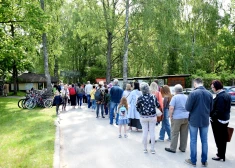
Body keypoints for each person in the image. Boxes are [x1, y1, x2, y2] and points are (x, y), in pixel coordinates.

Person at [185, 78, 213, 167]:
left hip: (194, 120)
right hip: (205, 120)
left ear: (195, 83)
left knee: (193, 140)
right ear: (202, 83)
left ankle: (193, 160)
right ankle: (204, 161)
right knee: (204, 141)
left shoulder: (193, 93)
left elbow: (188, 108)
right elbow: (211, 108)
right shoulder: (209, 94)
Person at [210, 80, 231, 162]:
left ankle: (220, 155)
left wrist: (212, 117)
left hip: (219, 121)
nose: (212, 89)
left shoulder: (221, 96)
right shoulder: (226, 94)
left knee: (219, 139)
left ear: (216, 87)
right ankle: (222, 154)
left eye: (212, 87)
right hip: (225, 119)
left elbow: (219, 111)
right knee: (223, 139)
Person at [136, 82, 160, 154]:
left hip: (143, 117)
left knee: (145, 132)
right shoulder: (153, 96)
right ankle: (152, 149)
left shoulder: (140, 98)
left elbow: (137, 108)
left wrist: (142, 111)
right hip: (152, 116)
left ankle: (145, 148)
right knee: (152, 132)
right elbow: (158, 105)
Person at [165, 84, 189, 153]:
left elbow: (171, 108)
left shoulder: (175, 97)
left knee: (174, 133)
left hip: (177, 117)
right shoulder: (186, 97)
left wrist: (170, 116)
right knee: (184, 133)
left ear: (175, 91)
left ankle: (173, 148)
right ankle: (183, 148)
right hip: (186, 117)